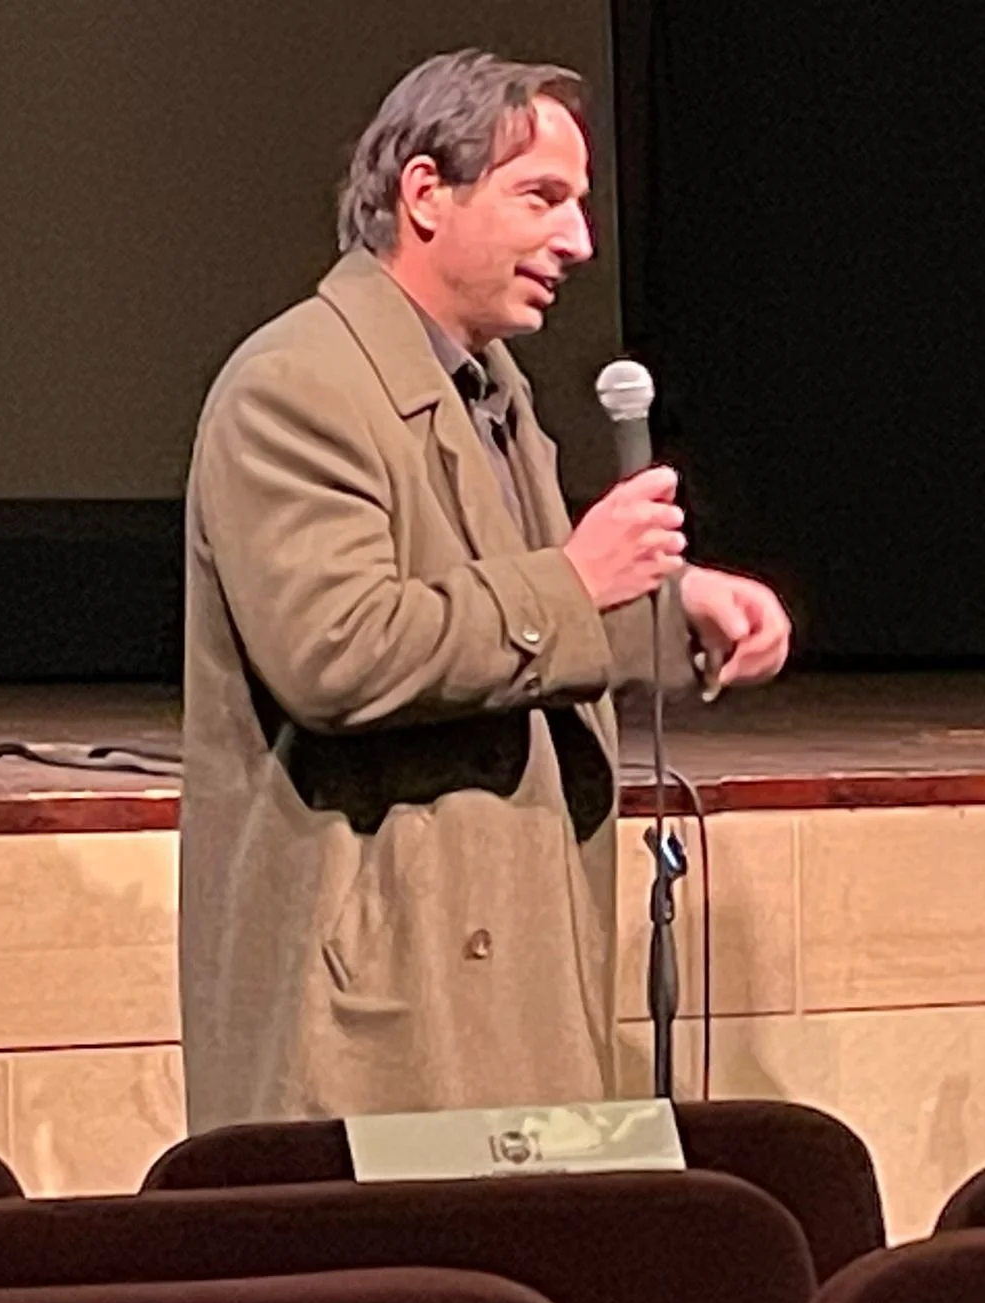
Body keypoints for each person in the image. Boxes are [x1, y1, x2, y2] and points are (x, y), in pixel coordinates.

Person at [179, 50, 790, 1130]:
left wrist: (678, 608)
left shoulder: (487, 390)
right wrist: (577, 579)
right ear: (425, 192)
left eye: (579, 205)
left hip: (507, 985)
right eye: (541, 198)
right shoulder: (297, 386)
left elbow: (508, 598)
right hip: (378, 1011)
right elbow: (338, 651)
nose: (578, 241)